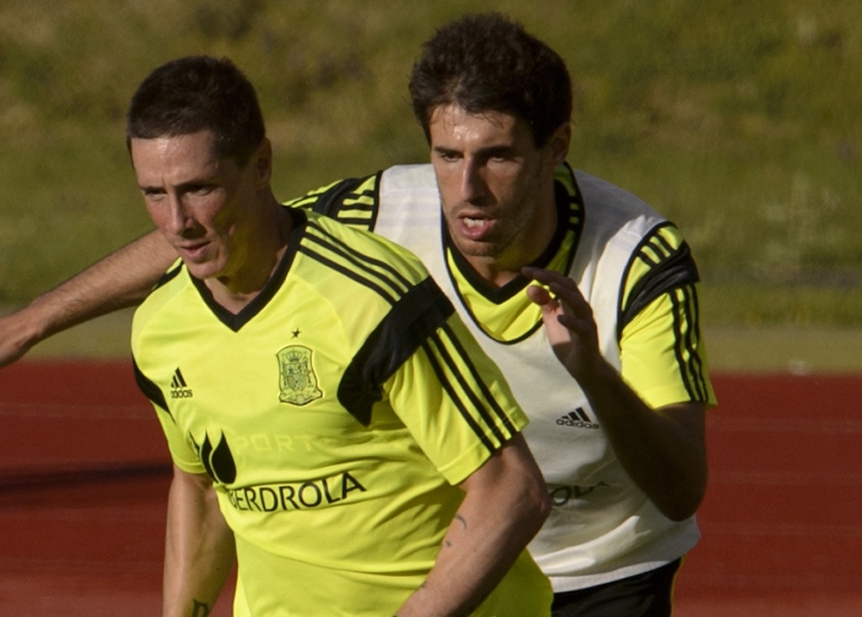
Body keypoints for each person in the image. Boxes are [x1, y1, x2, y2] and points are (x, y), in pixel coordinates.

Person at [0, 13, 715, 617]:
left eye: (498, 157)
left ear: (556, 149)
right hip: (447, 552)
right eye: (447, 156)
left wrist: (588, 369)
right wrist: (27, 323)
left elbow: (678, 487)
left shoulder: (634, 259)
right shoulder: (383, 207)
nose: (467, 190)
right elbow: (219, 225)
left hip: (599, 564)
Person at [82, 54, 554, 615]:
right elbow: (203, 489)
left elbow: (512, 489)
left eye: (200, 188)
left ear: (261, 165)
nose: (178, 222)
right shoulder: (161, 326)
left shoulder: (371, 296)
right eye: (155, 194)